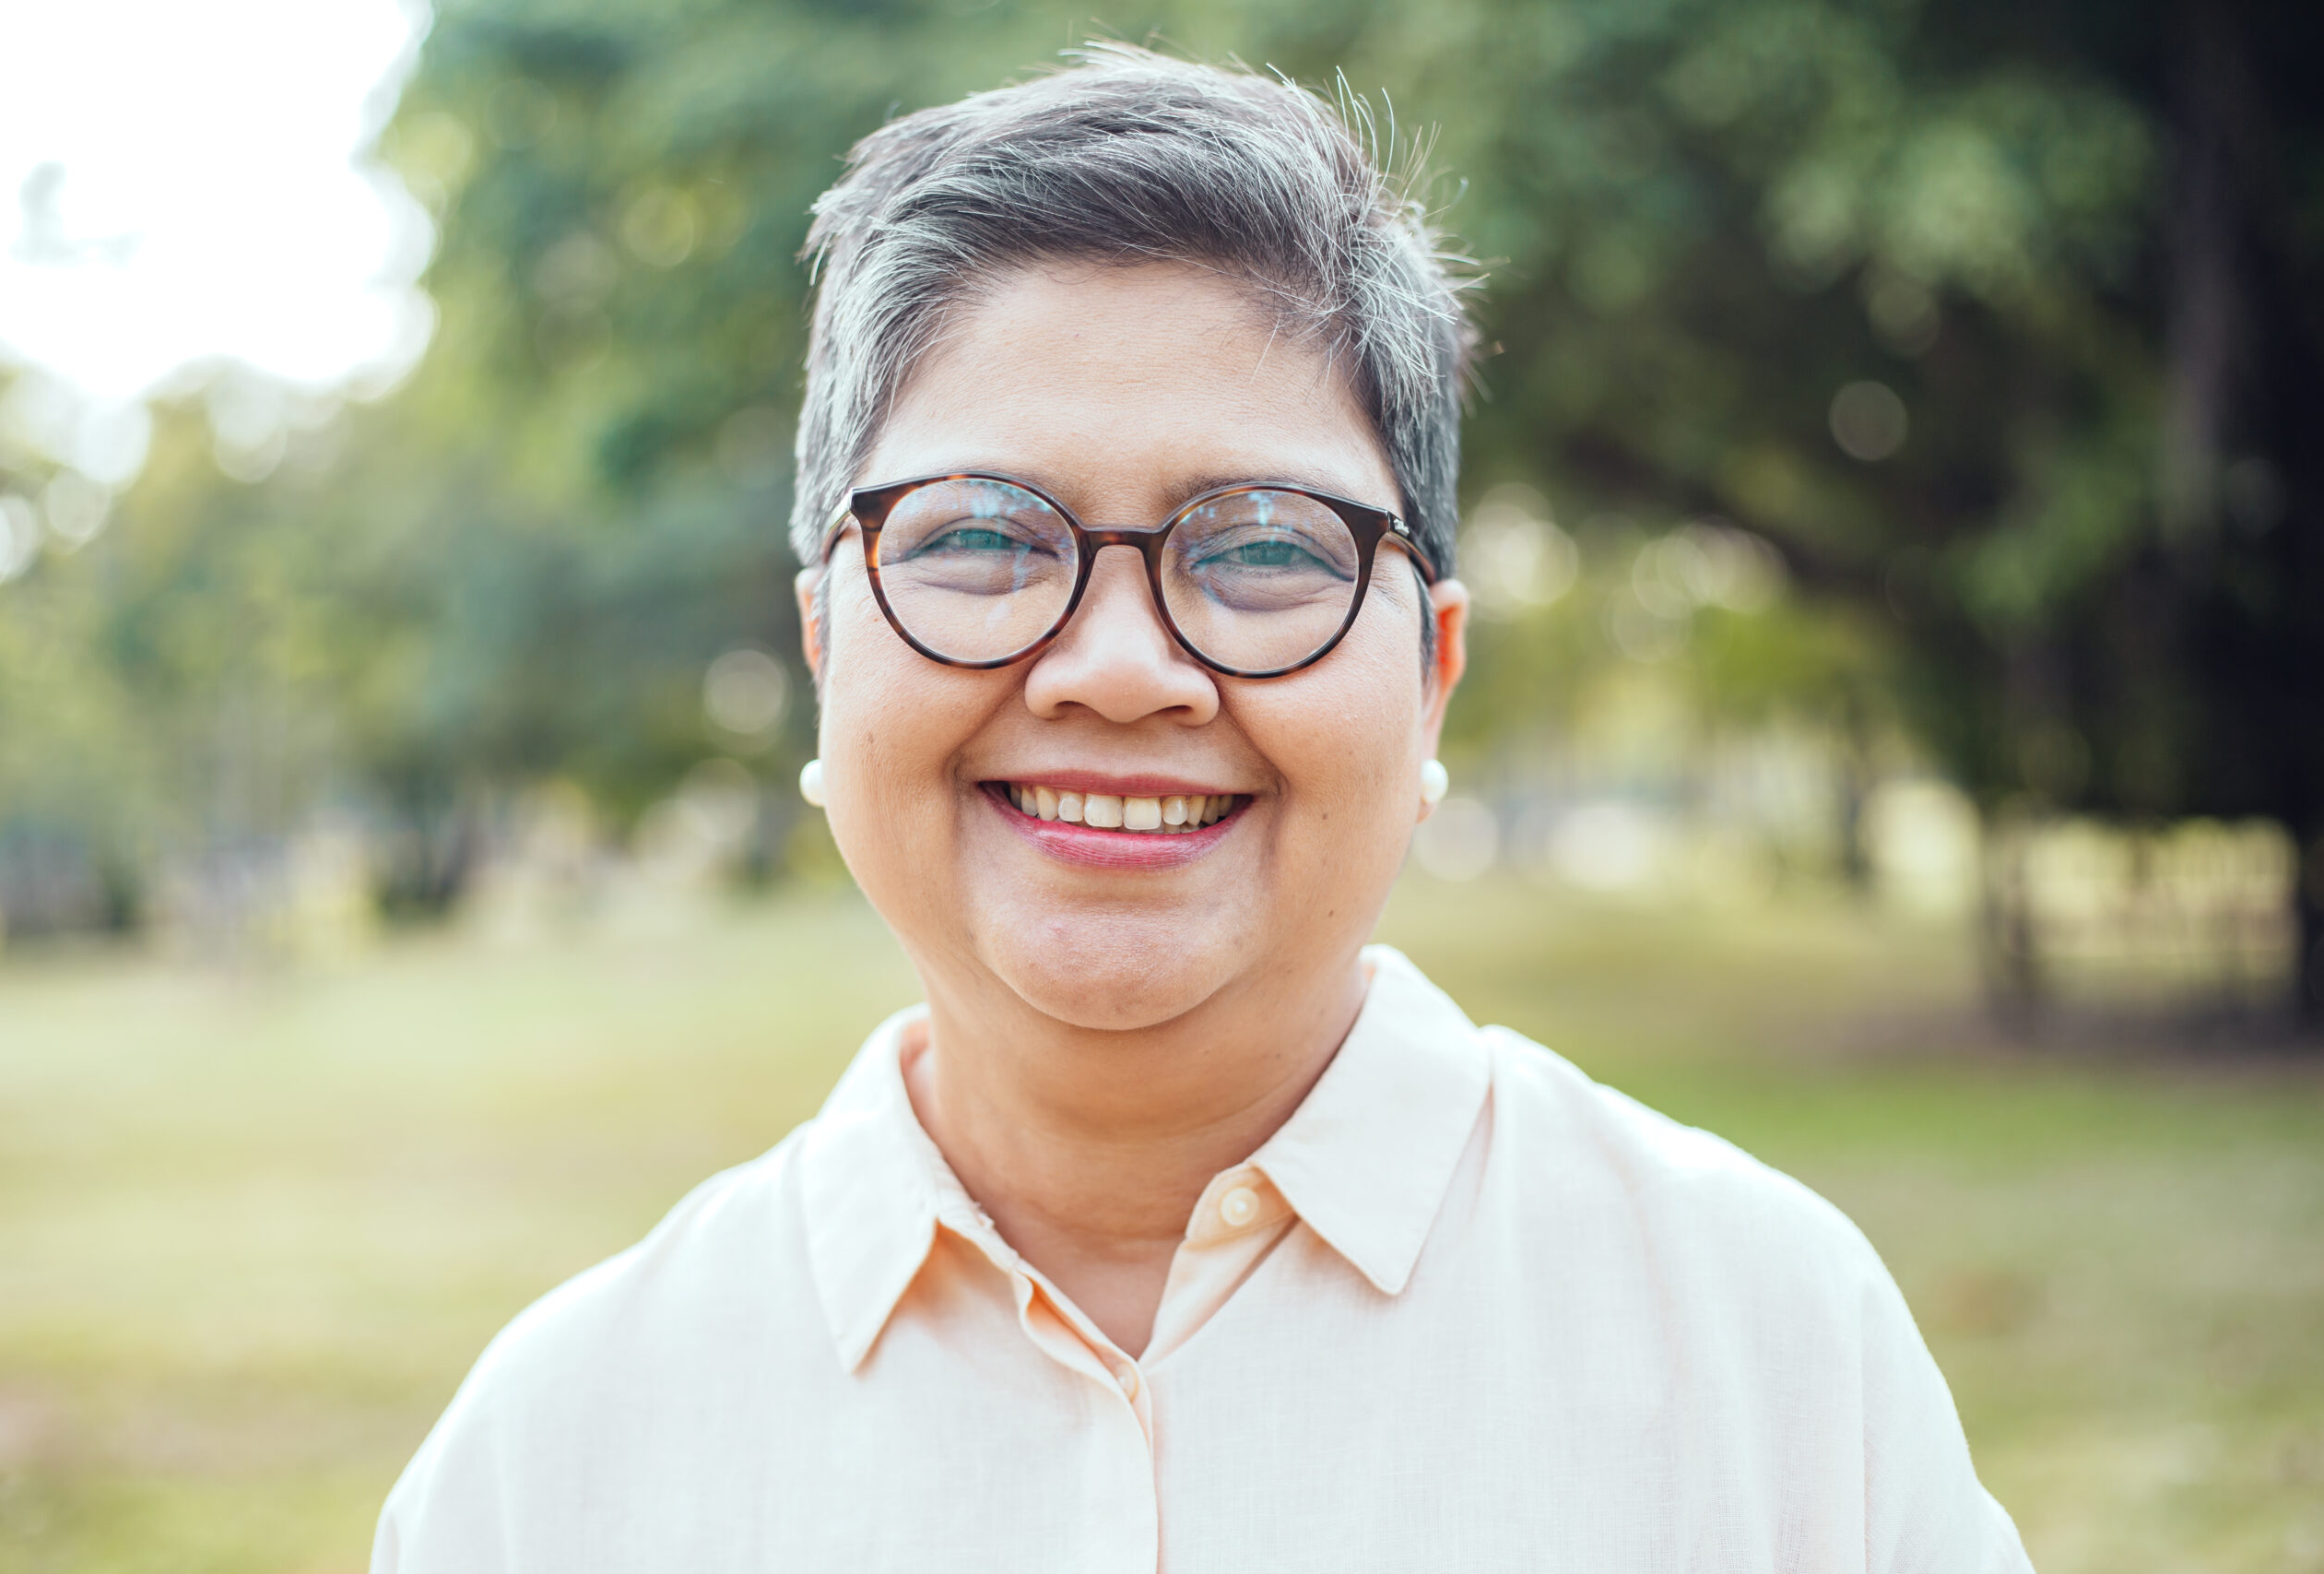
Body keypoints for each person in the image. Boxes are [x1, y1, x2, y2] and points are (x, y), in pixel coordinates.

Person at [373, 45, 2033, 1573]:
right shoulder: (551, 1465)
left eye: (1259, 549)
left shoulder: (1769, 1351)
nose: (1115, 670)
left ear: (1435, 674)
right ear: (824, 643)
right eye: (977, 537)